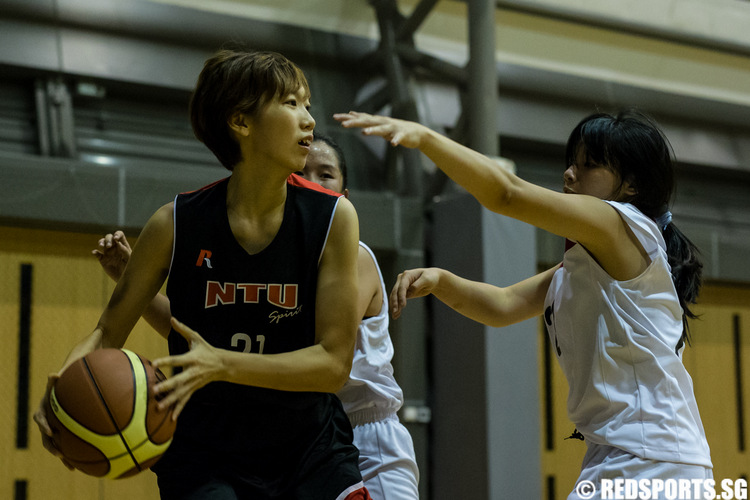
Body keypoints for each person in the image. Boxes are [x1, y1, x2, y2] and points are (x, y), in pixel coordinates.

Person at [35, 49, 371, 500]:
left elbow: (332, 365)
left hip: (310, 451)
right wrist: (61, 399)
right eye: (291, 104)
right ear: (242, 122)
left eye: (307, 105)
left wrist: (222, 364)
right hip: (205, 453)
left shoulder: (333, 217)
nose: (308, 119)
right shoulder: (174, 222)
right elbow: (106, 333)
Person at [334, 109, 711, 499]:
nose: (570, 174)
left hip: (655, 460)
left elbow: (506, 194)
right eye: (571, 163)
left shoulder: (623, 226)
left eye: (589, 166)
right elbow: (502, 304)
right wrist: (443, 282)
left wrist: (426, 139)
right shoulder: (579, 266)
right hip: (625, 456)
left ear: (630, 185)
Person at [94, 133, 420, 499]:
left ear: (344, 195)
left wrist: (221, 360)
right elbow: (204, 336)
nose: (310, 180)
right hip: (294, 419)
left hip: (362, 425)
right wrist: (138, 289)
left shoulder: (349, 253)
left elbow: (320, 356)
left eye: (325, 174)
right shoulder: (235, 230)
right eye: (304, 170)